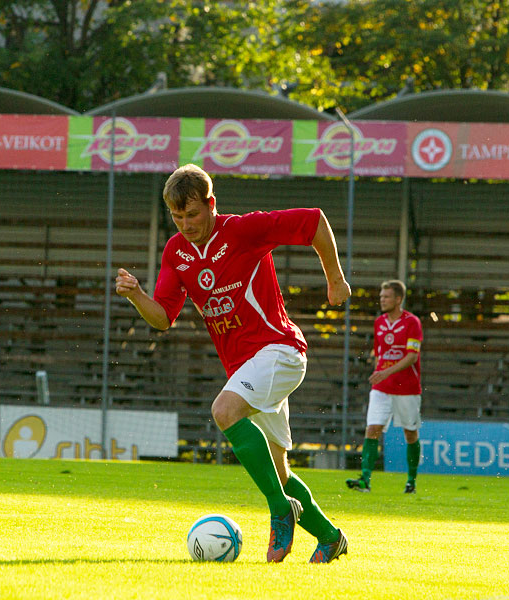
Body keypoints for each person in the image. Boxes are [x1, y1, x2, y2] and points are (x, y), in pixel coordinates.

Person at [115, 164, 350, 563]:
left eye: (192, 214)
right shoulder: (176, 252)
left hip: (280, 350)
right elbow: (163, 318)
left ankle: (280, 510)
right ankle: (330, 537)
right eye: (177, 216)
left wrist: (335, 279)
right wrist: (136, 294)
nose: (185, 224)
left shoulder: (242, 231)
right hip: (246, 368)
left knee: (223, 410)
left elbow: (313, 221)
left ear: (211, 204)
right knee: (279, 470)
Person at [346, 280, 423, 494]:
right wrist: (381, 373)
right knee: (372, 429)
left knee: (410, 433)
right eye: (381, 296)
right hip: (381, 387)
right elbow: (380, 353)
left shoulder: (412, 322)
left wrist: (386, 372)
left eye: (386, 296)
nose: (382, 299)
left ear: (398, 299)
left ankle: (411, 481)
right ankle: (365, 480)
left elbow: (411, 357)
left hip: (407, 387)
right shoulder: (379, 322)